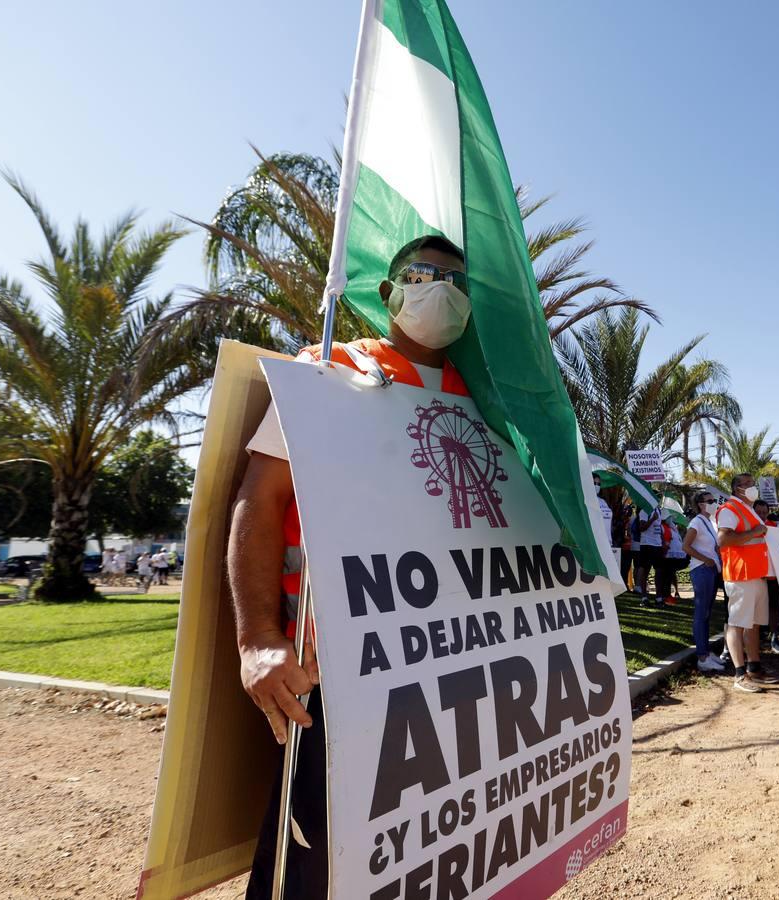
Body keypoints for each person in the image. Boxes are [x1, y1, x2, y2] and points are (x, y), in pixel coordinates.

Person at [229, 234, 473, 898]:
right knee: (315, 865)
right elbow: (260, 498)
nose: (441, 289)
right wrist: (256, 640)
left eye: (457, 282)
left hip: (448, 676)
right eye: (423, 274)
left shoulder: (480, 403)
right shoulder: (329, 368)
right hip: (335, 675)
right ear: (387, 292)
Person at [715, 474, 779, 693]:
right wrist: (754, 532)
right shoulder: (729, 509)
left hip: (756, 575)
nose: (752, 487)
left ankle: (754, 668)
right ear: (736, 489)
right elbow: (723, 540)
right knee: (737, 623)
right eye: (746, 484)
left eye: (753, 484)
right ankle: (740, 674)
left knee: (753, 624)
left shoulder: (749, 510)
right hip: (740, 575)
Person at [684, 492, 725, 672]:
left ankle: (706, 652)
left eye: (714, 501)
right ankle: (702, 656)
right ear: (701, 504)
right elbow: (685, 546)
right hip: (701, 570)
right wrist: (705, 559)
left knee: (706, 613)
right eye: (710, 501)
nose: (714, 503)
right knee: (701, 613)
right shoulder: (696, 522)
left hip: (710, 570)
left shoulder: (709, 522)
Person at [754, 498, 779, 655]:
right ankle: (757, 636)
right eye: (758, 512)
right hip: (755, 575)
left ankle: (774, 637)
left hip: (773, 574)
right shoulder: (748, 527)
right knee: (756, 607)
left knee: (774, 606)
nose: (761, 515)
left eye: (764, 512)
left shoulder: (774, 527)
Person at [632, 504, 667, 607]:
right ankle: (644, 597)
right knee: (645, 570)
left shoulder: (658, 510)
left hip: (657, 545)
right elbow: (641, 528)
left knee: (659, 571)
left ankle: (659, 598)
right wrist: (652, 519)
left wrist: (663, 542)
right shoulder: (644, 510)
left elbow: (659, 527)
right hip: (646, 544)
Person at [659, 516, 688, 605]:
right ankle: (665, 595)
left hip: (672, 555)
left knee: (669, 575)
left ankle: (667, 595)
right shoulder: (663, 527)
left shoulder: (671, 527)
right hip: (667, 554)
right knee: (666, 577)